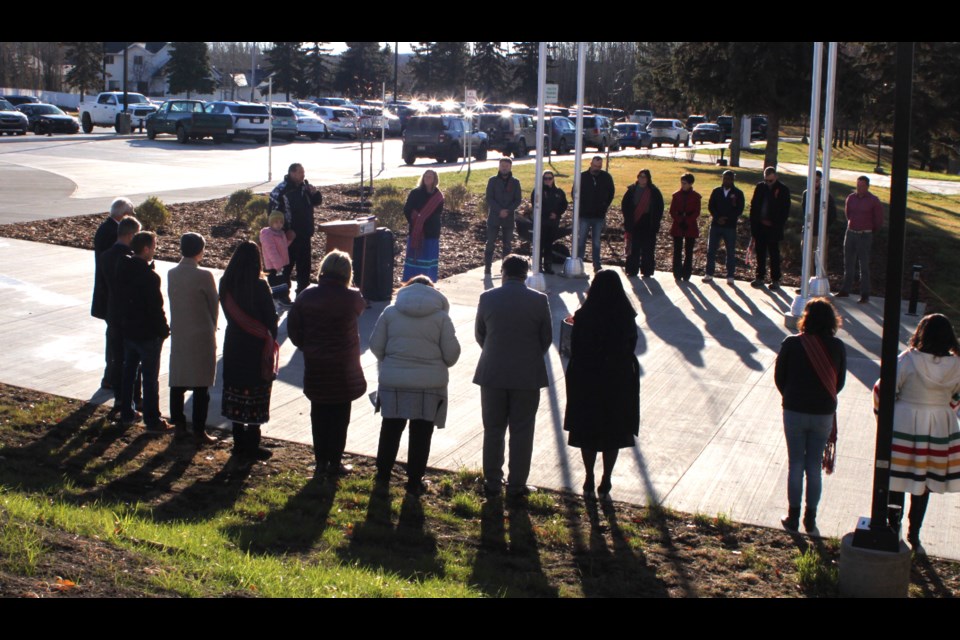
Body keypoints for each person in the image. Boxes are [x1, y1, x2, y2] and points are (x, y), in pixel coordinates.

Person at [369, 276, 461, 495]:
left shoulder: (390, 313)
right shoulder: (441, 318)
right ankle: (414, 481)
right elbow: (452, 356)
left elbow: (375, 346)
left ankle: (382, 476)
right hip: (429, 386)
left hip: (394, 382)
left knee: (390, 428)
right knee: (421, 433)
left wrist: (390, 360)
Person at [474, 255, 552, 500]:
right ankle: (517, 484)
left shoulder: (487, 298)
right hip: (527, 376)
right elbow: (546, 338)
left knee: (493, 429)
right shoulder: (539, 301)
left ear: (503, 272)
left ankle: (493, 481)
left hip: (492, 372)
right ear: (526, 274)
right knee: (522, 431)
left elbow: (480, 334)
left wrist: (495, 351)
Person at [288, 250, 367, 479]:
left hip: (317, 364)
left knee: (319, 414)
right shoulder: (353, 298)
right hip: (344, 367)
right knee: (340, 416)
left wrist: (308, 346)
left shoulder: (307, 296)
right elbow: (360, 307)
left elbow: (294, 330)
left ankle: (320, 461)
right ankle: (335, 461)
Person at [563, 270, 639, 502]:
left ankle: (588, 476)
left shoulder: (584, 315)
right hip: (617, 379)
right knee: (613, 432)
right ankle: (606, 478)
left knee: (587, 430)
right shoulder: (626, 315)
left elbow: (573, 347)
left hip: (588, 377)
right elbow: (631, 346)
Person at [774, 297, 847, 532]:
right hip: (823, 412)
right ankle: (811, 519)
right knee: (814, 467)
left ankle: (792, 517)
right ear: (831, 321)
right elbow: (840, 382)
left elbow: (779, 377)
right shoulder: (838, 347)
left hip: (794, 409)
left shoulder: (792, 343)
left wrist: (790, 395)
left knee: (795, 464)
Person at [888, 313, 960, 551]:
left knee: (897, 478)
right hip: (939, 426)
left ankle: (892, 528)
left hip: (904, 423)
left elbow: (884, 389)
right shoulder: (957, 364)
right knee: (925, 482)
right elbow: (957, 397)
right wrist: (943, 409)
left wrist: (886, 417)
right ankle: (914, 534)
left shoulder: (908, 359)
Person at [219, 241, 279, 460]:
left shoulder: (225, 283)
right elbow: (270, 319)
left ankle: (238, 442)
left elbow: (228, 314)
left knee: (235, 390)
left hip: (235, 342)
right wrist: (270, 336)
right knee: (256, 393)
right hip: (256, 346)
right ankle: (253, 444)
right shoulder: (260, 285)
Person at [117, 231, 173, 433]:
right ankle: (153, 419)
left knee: (129, 372)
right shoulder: (149, 277)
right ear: (147, 249)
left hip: (129, 329)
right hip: (148, 334)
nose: (155, 249)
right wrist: (164, 330)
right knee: (150, 378)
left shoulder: (123, 268)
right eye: (154, 245)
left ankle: (126, 412)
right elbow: (155, 308)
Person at [167, 233, 219, 446]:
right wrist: (212, 328)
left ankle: (179, 425)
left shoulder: (172, 273)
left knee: (178, 382)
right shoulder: (204, 276)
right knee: (201, 386)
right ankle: (199, 429)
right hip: (201, 333)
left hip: (180, 332)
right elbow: (213, 305)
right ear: (200, 250)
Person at [92, 197, 134, 390]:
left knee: (114, 338)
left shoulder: (106, 228)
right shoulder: (111, 232)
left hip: (109, 294)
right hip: (110, 295)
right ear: (123, 214)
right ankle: (111, 377)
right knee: (115, 339)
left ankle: (112, 376)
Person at [101, 216, 142, 415]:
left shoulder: (106, 255)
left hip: (112, 312)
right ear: (130, 235)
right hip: (130, 315)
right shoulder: (131, 259)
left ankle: (119, 399)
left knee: (117, 358)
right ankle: (132, 400)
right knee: (133, 361)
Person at [268, 162, 322, 299]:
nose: (303, 175)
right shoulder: (281, 190)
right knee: (286, 267)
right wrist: (284, 230)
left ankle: (302, 295)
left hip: (305, 234)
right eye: (300, 172)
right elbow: (273, 214)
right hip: (288, 237)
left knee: (304, 267)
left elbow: (316, 202)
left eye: (303, 172)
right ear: (292, 173)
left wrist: (315, 193)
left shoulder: (304, 187)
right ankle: (283, 296)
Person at [837, 175, 884, 304]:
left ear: (867, 186)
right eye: (858, 186)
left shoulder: (873, 200)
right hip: (851, 233)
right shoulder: (851, 198)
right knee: (848, 263)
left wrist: (869, 230)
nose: (859, 188)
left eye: (862, 186)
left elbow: (878, 220)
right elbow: (848, 215)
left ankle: (865, 294)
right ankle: (845, 289)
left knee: (864, 265)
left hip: (865, 235)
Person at [749, 167, 791, 289]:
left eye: (770, 181)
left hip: (773, 228)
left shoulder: (783, 190)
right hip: (760, 226)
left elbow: (784, 211)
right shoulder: (760, 187)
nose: (768, 183)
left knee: (774, 254)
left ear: (775, 177)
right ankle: (759, 277)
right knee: (760, 253)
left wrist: (774, 223)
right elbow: (754, 206)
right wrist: (754, 224)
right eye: (766, 180)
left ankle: (775, 279)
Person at [621, 169, 665, 278]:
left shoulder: (654, 191)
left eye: (644, 176)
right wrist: (628, 220)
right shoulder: (631, 190)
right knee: (633, 248)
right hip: (634, 222)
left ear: (648, 178)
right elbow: (625, 206)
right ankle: (632, 270)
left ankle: (647, 270)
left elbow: (659, 208)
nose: (641, 178)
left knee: (648, 249)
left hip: (648, 223)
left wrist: (656, 223)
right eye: (640, 176)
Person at [402, 169, 444, 282]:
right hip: (416, 232)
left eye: (430, 177)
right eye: (425, 176)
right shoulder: (415, 193)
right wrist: (416, 220)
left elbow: (437, 214)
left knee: (428, 260)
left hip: (431, 233)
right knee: (414, 260)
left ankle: (428, 282)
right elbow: (407, 209)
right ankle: (410, 282)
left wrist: (423, 219)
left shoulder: (438, 197)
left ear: (435, 179)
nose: (427, 179)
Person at [704, 170, 744, 284]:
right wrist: (717, 218)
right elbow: (711, 206)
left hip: (730, 226)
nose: (726, 180)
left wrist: (727, 218)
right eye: (724, 178)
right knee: (711, 250)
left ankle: (730, 275)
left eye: (728, 178)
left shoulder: (738, 193)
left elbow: (739, 209)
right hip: (716, 225)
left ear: (732, 180)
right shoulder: (716, 191)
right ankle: (709, 273)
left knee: (730, 251)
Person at [577, 156, 616, 272]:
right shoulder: (582, 177)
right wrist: (581, 207)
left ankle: (597, 264)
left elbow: (611, 193)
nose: (596, 168)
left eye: (599, 166)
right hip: (584, 215)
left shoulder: (606, 177)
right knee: (581, 240)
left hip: (599, 216)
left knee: (596, 241)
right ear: (590, 164)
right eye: (595, 166)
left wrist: (604, 205)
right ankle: (579, 262)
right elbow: (575, 192)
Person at [483, 158, 521, 275]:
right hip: (494, 217)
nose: (504, 168)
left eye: (507, 166)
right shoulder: (492, 181)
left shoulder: (515, 182)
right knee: (490, 243)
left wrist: (508, 211)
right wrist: (499, 210)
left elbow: (517, 200)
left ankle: (505, 269)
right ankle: (487, 268)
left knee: (507, 245)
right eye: (502, 165)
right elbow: (489, 198)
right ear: (499, 167)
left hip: (508, 218)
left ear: (510, 167)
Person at [799, 170, 837, 281]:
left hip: (820, 234)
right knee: (807, 260)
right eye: (812, 180)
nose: (814, 182)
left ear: (820, 181)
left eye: (817, 180)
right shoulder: (806, 194)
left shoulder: (826, 196)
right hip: (807, 232)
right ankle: (807, 284)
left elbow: (833, 215)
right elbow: (804, 211)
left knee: (821, 260)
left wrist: (823, 226)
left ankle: (820, 285)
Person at [530, 170, 568, 274]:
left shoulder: (559, 192)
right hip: (541, 222)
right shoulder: (537, 191)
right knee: (540, 244)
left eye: (549, 178)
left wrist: (557, 213)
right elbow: (535, 205)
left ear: (553, 179)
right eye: (545, 178)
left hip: (553, 223)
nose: (547, 180)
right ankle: (537, 266)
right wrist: (546, 215)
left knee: (549, 245)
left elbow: (564, 205)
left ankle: (548, 266)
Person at [668, 173, 702, 282]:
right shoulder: (676, 195)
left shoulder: (696, 196)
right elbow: (672, 211)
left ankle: (687, 273)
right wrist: (679, 220)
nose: (682, 185)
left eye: (685, 183)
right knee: (677, 250)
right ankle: (677, 273)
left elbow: (697, 212)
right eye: (682, 183)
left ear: (690, 184)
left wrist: (687, 221)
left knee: (689, 250)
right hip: (678, 224)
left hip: (690, 225)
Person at [260, 211, 293, 306]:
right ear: (271, 222)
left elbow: (283, 247)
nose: (279, 224)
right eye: (276, 222)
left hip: (282, 263)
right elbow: (271, 251)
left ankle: (284, 298)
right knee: (277, 282)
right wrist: (278, 265)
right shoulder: (267, 234)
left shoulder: (281, 233)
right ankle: (279, 299)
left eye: (281, 222)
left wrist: (290, 239)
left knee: (284, 281)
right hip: (273, 265)